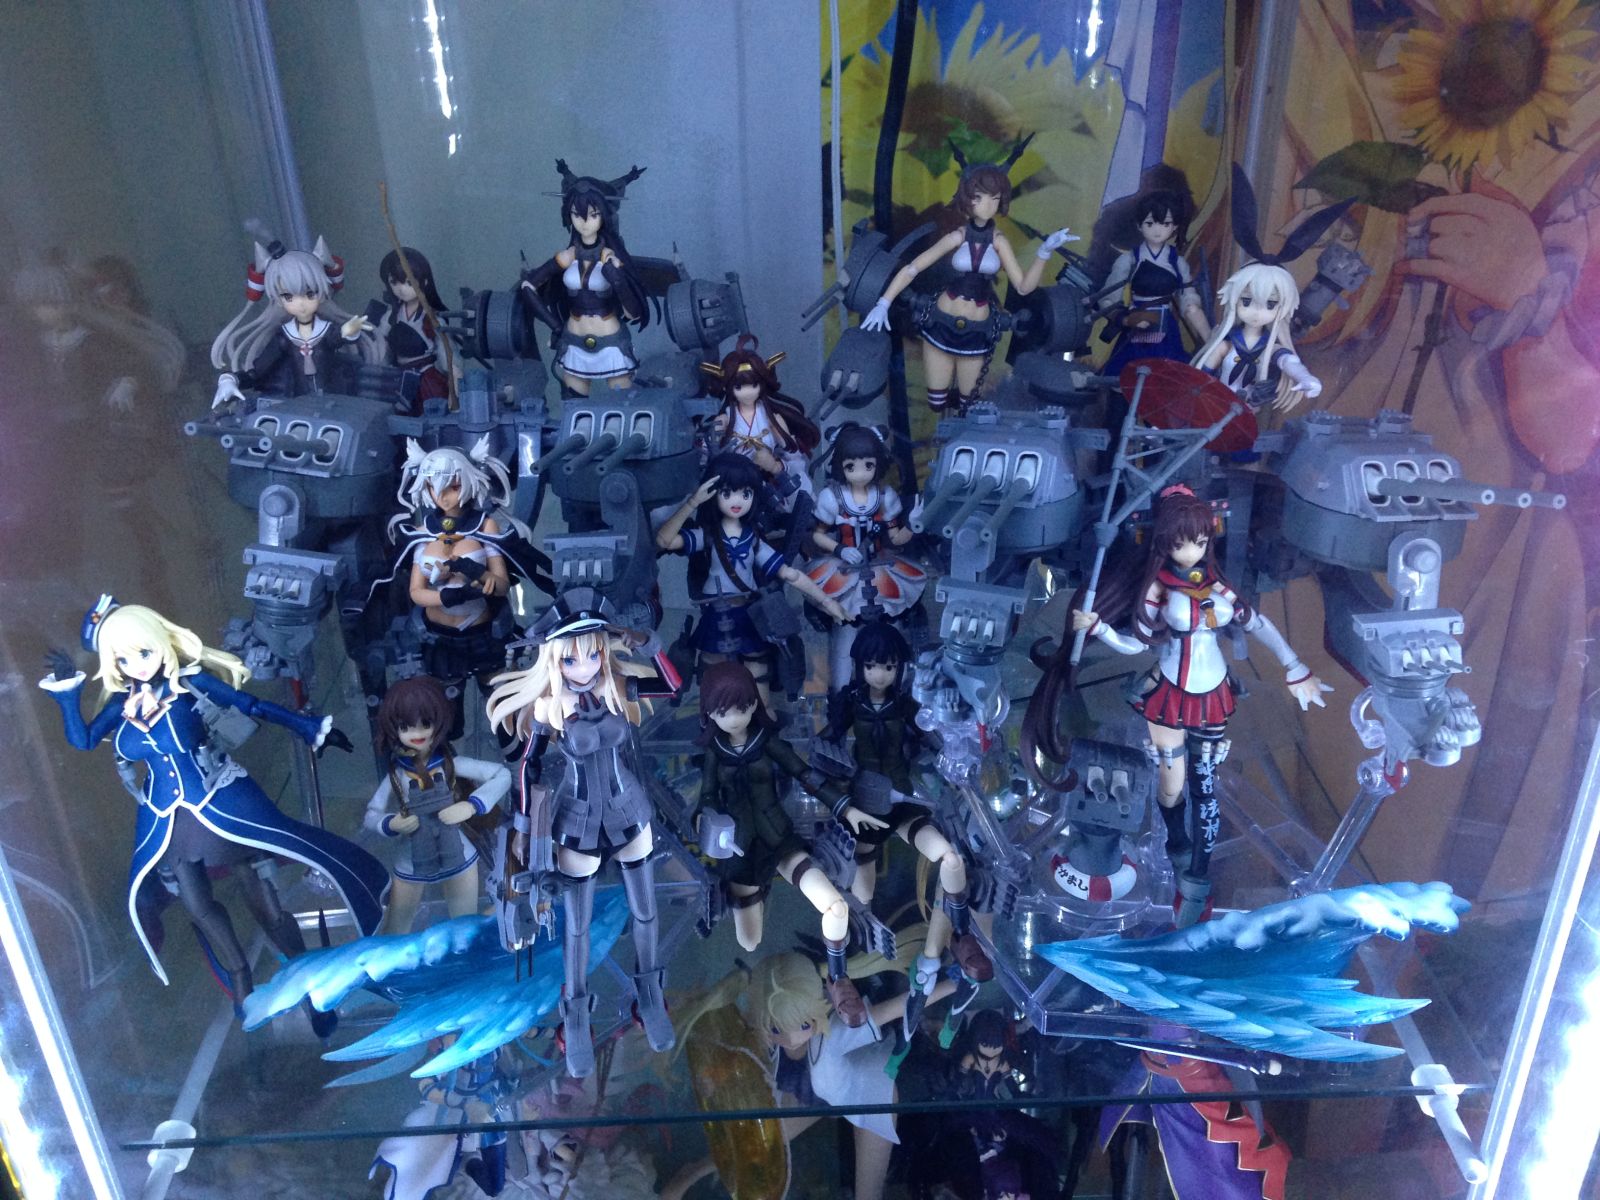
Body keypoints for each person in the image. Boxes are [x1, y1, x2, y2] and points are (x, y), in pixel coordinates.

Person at [37, 598, 388, 1009]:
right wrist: (68, 693)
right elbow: (82, 740)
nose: (137, 665)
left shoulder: (189, 685)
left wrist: (309, 728)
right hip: (166, 818)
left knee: (256, 884)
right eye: (123, 659)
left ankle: (302, 966)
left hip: (218, 799)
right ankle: (239, 976)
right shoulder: (121, 706)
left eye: (144, 652)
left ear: (160, 643)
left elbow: (250, 705)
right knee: (196, 903)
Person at [1023, 486, 1331, 925]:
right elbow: (1137, 644)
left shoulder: (1217, 585)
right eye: (1183, 542)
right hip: (1169, 695)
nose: (1192, 551)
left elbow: (1257, 622)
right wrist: (1101, 630)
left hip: (1213, 695)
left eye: (1201, 541)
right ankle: (1175, 842)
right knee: (1172, 784)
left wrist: (1295, 667)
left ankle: (1197, 880)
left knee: (1206, 787)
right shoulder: (1156, 590)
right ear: (1165, 542)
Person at [485, 588, 680, 1077]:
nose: (586, 666)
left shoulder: (616, 688)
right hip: (577, 819)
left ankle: (650, 993)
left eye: (593, 654)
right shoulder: (549, 707)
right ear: (555, 659)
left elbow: (671, 686)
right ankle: (574, 1014)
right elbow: (528, 768)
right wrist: (525, 829)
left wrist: (648, 642)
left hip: (628, 809)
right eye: (573, 658)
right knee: (577, 925)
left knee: (646, 910)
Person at [862, 139, 1075, 413]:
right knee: (936, 402)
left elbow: (1024, 287)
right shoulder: (957, 236)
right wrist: (884, 303)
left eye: (994, 199)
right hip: (941, 321)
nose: (987, 205)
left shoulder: (1000, 241)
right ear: (967, 198)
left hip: (977, 331)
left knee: (968, 406)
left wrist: (1044, 252)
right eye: (980, 197)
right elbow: (913, 268)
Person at [365, 675, 509, 932]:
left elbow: (502, 774)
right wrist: (391, 823)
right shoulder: (397, 774)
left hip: (457, 852)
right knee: (396, 927)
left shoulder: (450, 764)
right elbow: (371, 815)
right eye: (406, 726)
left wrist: (472, 805)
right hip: (412, 854)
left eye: (425, 724)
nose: (417, 733)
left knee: (464, 926)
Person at [520, 160, 650, 395]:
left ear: (603, 216)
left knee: (622, 405)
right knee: (574, 406)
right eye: (576, 214)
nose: (584, 221)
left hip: (610, 342)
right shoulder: (567, 256)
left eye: (592, 214)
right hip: (574, 340)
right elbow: (528, 286)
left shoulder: (610, 257)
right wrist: (555, 325)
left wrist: (617, 277)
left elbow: (633, 312)